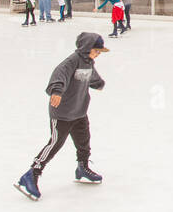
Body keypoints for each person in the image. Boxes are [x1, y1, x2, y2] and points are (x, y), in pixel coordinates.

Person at [14, 32, 110, 201]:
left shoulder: (88, 63)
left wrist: (99, 84)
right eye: (97, 51)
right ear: (87, 48)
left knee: (84, 141)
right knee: (55, 143)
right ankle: (31, 174)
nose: (98, 54)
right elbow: (59, 75)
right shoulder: (71, 62)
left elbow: (90, 77)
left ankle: (82, 168)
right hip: (63, 113)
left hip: (79, 111)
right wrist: (57, 91)